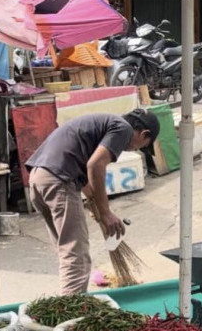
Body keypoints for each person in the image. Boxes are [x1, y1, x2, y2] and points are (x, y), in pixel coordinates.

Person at [26, 109, 160, 295]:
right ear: (144, 134)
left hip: (38, 179)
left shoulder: (105, 122)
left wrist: (94, 204)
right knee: (76, 257)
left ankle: (63, 308)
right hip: (59, 180)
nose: (132, 149)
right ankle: (71, 316)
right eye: (141, 146)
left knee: (67, 254)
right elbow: (95, 165)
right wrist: (106, 213)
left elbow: (85, 174)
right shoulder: (123, 129)